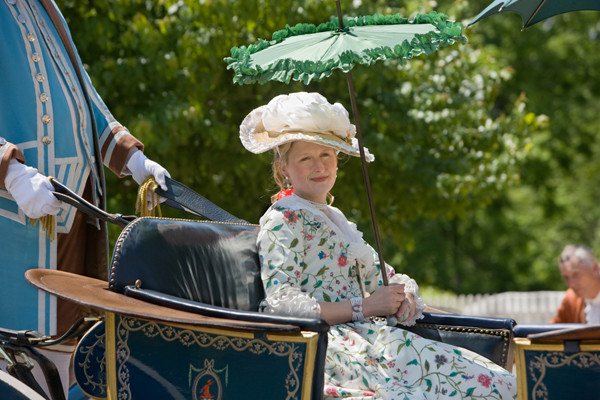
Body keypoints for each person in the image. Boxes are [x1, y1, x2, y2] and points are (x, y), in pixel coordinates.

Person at [239, 92, 516, 399]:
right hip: (328, 349)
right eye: (306, 158)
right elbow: (281, 302)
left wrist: (402, 293)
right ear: (284, 169)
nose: (319, 166)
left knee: (500, 382)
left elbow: (380, 275)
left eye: (327, 155)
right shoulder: (283, 219)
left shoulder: (337, 219)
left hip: (374, 340)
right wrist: (365, 307)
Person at [0, 0, 169, 338]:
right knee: (20, 356)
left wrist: (131, 157)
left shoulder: (44, 6)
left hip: (73, 211)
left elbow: (82, 98)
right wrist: (10, 171)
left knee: (70, 343)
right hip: (15, 217)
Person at [551, 244, 600, 324]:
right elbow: (551, 332)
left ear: (594, 268)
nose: (571, 284)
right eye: (566, 277)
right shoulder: (571, 299)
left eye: (575, 274)